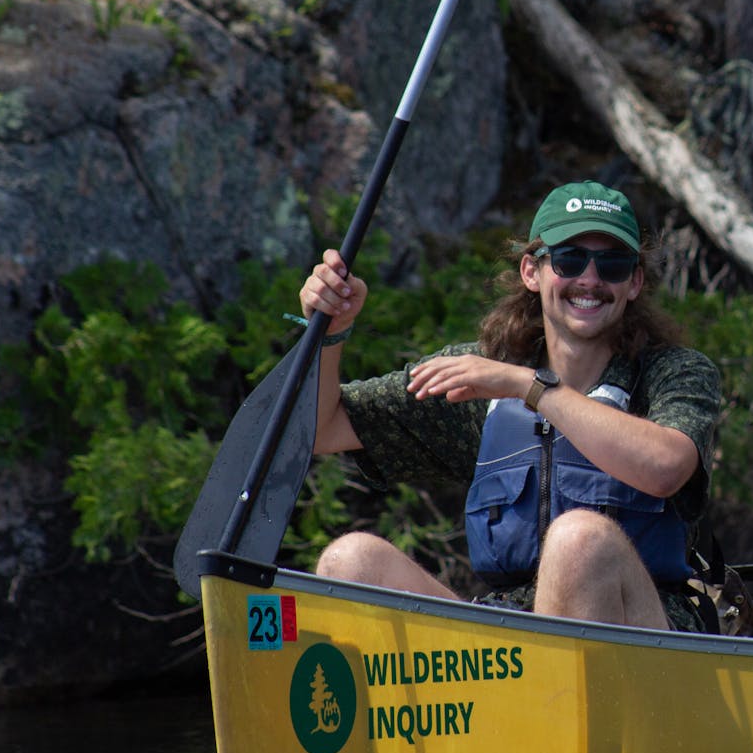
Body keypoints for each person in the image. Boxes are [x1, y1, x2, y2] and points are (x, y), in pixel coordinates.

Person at [300, 180, 723, 632]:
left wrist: (530, 387)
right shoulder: (476, 378)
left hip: (644, 629)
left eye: (613, 265)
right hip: (510, 633)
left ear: (634, 283)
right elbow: (323, 429)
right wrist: (329, 336)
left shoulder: (674, 373)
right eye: (570, 259)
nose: (590, 280)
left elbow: (664, 467)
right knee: (352, 561)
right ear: (531, 272)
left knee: (578, 540)